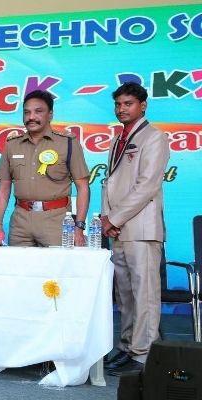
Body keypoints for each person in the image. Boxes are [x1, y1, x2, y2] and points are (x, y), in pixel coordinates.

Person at [102, 82, 170, 376]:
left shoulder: (155, 137)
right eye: (118, 104)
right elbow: (110, 183)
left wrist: (114, 218)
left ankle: (144, 355)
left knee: (145, 294)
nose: (122, 109)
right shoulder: (117, 139)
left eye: (128, 104)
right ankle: (128, 346)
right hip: (119, 228)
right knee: (125, 294)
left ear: (143, 106)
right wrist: (107, 219)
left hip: (142, 228)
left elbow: (147, 186)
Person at [0, 89, 90, 247]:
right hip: (20, 222)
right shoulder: (12, 144)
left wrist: (79, 227)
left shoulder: (67, 143)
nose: (31, 117)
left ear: (50, 114)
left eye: (38, 111)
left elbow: (83, 187)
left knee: (56, 264)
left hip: (56, 222)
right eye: (26, 112)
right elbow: (4, 187)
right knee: (16, 263)